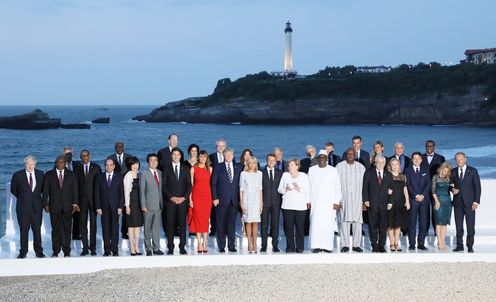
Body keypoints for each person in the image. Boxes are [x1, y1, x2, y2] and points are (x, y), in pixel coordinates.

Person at [10, 155, 45, 258]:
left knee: (37, 231)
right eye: (28, 164)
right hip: (23, 209)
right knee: (24, 231)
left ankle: (39, 252)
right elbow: (13, 190)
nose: (30, 166)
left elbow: (43, 189)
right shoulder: (17, 175)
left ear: (35, 164)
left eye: (32, 164)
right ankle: (23, 252)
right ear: (25, 164)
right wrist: (24, 198)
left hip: (37, 208)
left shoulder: (40, 174)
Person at [43, 155, 78, 257]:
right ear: (55, 163)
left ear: (65, 163)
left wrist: (75, 204)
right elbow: (45, 191)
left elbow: (75, 190)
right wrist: (45, 204)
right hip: (54, 206)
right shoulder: (49, 175)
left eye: (62, 162)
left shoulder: (71, 174)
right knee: (56, 230)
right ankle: (56, 251)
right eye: (58, 162)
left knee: (67, 229)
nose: (60, 164)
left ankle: (67, 251)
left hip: (68, 207)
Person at [308, 150, 342, 253]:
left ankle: (327, 246)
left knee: (328, 225)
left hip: (329, 203)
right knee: (315, 224)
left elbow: (337, 186)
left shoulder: (333, 170)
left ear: (327, 159)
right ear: (318, 159)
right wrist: (308, 201)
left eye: (324, 158)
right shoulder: (312, 170)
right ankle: (316, 246)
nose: (322, 159)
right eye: (320, 158)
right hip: (315, 202)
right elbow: (308, 187)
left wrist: (337, 201)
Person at [211, 148, 242, 253]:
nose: (229, 156)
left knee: (232, 224)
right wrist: (214, 198)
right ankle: (221, 246)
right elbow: (213, 184)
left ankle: (231, 246)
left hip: (234, 201)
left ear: (233, 155)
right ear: (223, 156)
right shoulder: (218, 167)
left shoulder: (238, 167)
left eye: (230, 155)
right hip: (221, 201)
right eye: (227, 155)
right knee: (220, 224)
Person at [336, 148, 366, 253]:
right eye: (348, 153)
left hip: (358, 198)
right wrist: (336, 200)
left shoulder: (361, 167)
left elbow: (365, 185)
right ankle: (345, 244)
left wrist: (364, 201)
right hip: (344, 198)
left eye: (352, 153)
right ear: (345, 155)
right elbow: (335, 185)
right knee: (344, 221)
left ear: (355, 155)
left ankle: (356, 245)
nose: (350, 155)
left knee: (357, 222)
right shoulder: (339, 167)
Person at [163, 147, 192, 255]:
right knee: (170, 224)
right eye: (174, 154)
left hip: (182, 201)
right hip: (170, 201)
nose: (176, 156)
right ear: (171, 156)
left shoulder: (185, 168)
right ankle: (170, 246)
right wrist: (171, 197)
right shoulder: (167, 168)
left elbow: (189, 185)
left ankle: (182, 246)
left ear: (181, 156)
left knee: (182, 224)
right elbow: (164, 186)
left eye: (178, 155)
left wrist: (184, 197)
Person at [278, 159, 310, 253]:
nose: (289, 167)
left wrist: (298, 188)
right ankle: (290, 247)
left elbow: (307, 190)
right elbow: (279, 189)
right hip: (287, 206)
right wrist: (285, 189)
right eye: (289, 165)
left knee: (300, 228)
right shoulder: (285, 175)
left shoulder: (303, 176)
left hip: (300, 206)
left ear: (297, 166)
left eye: (291, 165)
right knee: (288, 228)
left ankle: (300, 247)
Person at [362, 154, 393, 253]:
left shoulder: (388, 174)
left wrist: (390, 202)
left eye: (382, 162)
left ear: (384, 163)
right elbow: (365, 188)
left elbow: (392, 189)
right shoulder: (368, 173)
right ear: (375, 163)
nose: (380, 164)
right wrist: (365, 200)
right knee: (372, 225)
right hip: (372, 203)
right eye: (378, 162)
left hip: (384, 204)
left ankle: (381, 245)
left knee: (383, 226)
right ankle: (374, 245)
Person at [451, 152, 481, 253]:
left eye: (461, 159)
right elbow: (450, 184)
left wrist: (476, 202)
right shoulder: (453, 171)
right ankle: (459, 245)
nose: (459, 161)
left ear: (465, 159)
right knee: (459, 226)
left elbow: (477, 187)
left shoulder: (472, 171)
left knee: (470, 226)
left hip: (470, 203)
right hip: (457, 203)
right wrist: (452, 189)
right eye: (457, 159)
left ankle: (470, 245)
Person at [74, 149, 101, 256]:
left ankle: (93, 248)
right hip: (81, 201)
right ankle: (85, 248)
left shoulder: (96, 167)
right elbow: (75, 187)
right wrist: (75, 203)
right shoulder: (77, 168)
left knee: (93, 225)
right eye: (83, 156)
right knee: (82, 225)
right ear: (80, 157)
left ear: (89, 156)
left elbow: (99, 186)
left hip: (94, 201)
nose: (85, 157)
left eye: (86, 155)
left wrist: (99, 201)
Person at [95, 158, 124, 256]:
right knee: (105, 229)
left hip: (115, 207)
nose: (109, 167)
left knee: (115, 229)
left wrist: (121, 206)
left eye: (110, 165)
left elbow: (122, 193)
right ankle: (107, 250)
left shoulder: (119, 177)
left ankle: (115, 249)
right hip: (103, 208)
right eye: (107, 165)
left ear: (114, 166)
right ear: (105, 166)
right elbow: (97, 193)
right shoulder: (100, 177)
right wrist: (98, 207)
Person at [405, 152, 431, 251]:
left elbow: (428, 184)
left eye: (418, 158)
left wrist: (422, 195)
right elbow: (408, 185)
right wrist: (416, 195)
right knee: (412, 223)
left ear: (421, 159)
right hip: (413, 200)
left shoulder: (425, 170)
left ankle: (421, 243)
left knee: (423, 223)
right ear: (412, 159)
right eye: (414, 158)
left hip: (424, 200)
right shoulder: (407, 171)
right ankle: (412, 244)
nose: (416, 160)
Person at [139, 154, 164, 256]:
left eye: (155, 160)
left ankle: (156, 248)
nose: (153, 162)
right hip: (148, 206)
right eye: (151, 160)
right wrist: (143, 205)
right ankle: (148, 248)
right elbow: (142, 191)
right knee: (147, 228)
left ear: (157, 162)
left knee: (156, 228)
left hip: (158, 205)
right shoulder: (144, 174)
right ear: (148, 162)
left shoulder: (159, 173)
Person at [189, 150, 213, 253]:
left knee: (205, 220)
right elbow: (191, 185)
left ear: (207, 158)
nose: (203, 159)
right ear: (198, 157)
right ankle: (199, 243)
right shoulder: (193, 169)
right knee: (198, 220)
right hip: (196, 196)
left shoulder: (210, 169)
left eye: (205, 157)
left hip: (207, 197)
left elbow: (212, 184)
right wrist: (190, 199)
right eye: (201, 157)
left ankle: (205, 243)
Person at [108, 141, 132, 239]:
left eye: (121, 146)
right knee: (115, 211)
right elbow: (108, 172)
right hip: (115, 188)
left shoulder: (129, 157)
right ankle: (112, 231)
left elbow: (133, 170)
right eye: (117, 146)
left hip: (127, 188)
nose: (119, 148)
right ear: (115, 148)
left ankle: (124, 232)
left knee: (126, 211)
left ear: (124, 147)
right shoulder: (110, 158)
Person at [422, 140, 446, 236]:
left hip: (436, 189)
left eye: (431, 146)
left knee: (436, 211)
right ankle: (425, 231)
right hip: (424, 189)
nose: (429, 147)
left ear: (434, 147)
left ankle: (437, 232)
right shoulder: (421, 157)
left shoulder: (441, 158)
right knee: (425, 212)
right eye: (427, 146)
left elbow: (445, 173)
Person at [239, 156, 263, 253]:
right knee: (248, 222)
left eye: (254, 162)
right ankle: (249, 242)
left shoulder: (259, 174)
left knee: (255, 222)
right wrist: (241, 203)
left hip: (256, 200)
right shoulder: (243, 174)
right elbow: (241, 189)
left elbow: (260, 189)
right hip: (247, 200)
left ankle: (255, 243)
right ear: (247, 164)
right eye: (250, 163)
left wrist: (261, 203)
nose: (252, 165)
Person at [387, 158, 410, 252]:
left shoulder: (403, 176)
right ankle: (392, 244)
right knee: (390, 224)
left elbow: (405, 189)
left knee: (398, 224)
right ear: (390, 166)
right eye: (393, 164)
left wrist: (407, 201)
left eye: (396, 164)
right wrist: (387, 191)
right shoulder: (387, 176)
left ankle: (397, 243)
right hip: (390, 203)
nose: (395, 166)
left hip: (401, 202)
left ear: (399, 165)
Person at [261, 153, 283, 253]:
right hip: (264, 202)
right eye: (269, 160)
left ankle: (275, 245)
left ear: (276, 162)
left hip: (276, 202)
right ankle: (264, 245)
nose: (271, 162)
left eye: (273, 160)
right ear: (266, 161)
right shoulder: (261, 173)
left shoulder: (280, 173)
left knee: (275, 225)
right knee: (264, 225)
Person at [432, 162, 454, 250]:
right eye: (444, 171)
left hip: (447, 202)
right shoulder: (435, 177)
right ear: (441, 169)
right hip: (439, 201)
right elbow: (433, 191)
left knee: (444, 223)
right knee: (438, 223)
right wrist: (436, 202)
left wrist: (453, 190)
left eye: (447, 171)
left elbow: (450, 188)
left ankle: (442, 241)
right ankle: (440, 241)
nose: (445, 172)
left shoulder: (449, 178)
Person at [124, 156, 143, 256]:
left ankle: (137, 247)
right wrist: (127, 206)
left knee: (138, 226)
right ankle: (132, 247)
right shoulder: (128, 175)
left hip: (139, 203)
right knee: (131, 226)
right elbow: (126, 192)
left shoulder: (139, 174)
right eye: (133, 164)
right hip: (131, 203)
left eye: (136, 164)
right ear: (130, 165)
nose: (135, 166)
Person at [208, 138, 227, 236]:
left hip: (225, 187)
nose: (221, 148)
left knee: (225, 209)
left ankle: (224, 229)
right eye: (219, 146)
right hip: (214, 186)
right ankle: (213, 229)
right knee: (214, 209)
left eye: (223, 146)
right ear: (216, 147)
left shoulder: (228, 156)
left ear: (225, 147)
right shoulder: (210, 157)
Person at [63, 146, 81, 240]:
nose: (68, 156)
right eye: (66, 154)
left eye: (70, 154)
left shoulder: (77, 164)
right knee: (66, 216)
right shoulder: (59, 165)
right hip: (65, 196)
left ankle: (76, 235)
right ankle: (66, 235)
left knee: (77, 216)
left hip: (76, 194)